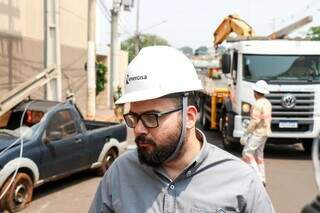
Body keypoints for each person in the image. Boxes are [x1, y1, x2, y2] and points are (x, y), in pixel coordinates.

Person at [89, 46, 275, 213]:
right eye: (134, 118)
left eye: (150, 117)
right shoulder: (120, 174)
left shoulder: (241, 182)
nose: (138, 129)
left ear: (189, 117)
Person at [241, 80, 272, 187]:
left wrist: (246, 134)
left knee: (247, 154)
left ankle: (259, 178)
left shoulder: (257, 104)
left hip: (258, 133)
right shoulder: (267, 103)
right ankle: (262, 177)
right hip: (265, 132)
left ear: (255, 92)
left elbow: (255, 121)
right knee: (259, 155)